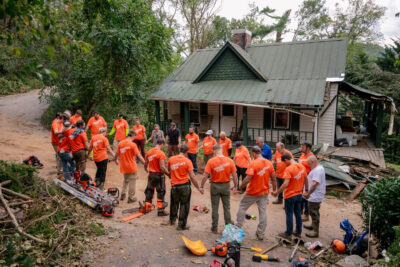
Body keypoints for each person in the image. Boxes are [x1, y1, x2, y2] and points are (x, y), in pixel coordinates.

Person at [235, 146, 277, 240]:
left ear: (253, 153)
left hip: (252, 191)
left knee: (242, 206)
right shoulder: (269, 163)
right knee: (263, 212)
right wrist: (274, 190)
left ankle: (237, 227)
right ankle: (261, 233)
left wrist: (240, 187)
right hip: (264, 191)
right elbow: (273, 178)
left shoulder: (253, 163)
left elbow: (247, 178)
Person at [200, 144, 238, 233]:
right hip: (226, 186)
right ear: (221, 150)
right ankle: (228, 227)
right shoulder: (229, 161)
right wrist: (236, 186)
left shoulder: (211, 161)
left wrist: (201, 186)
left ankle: (214, 227)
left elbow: (205, 175)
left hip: (214, 186)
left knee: (215, 207)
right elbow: (235, 175)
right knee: (227, 207)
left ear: (214, 151)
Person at [164, 144, 202, 230]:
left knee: (174, 203)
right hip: (184, 186)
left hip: (174, 186)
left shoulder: (171, 159)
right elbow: (192, 176)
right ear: (186, 152)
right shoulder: (188, 161)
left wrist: (173, 177)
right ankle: (181, 225)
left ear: (179, 149)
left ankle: (172, 220)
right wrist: (198, 187)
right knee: (184, 205)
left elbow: (169, 171)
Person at [272, 153, 308, 240]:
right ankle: (298, 232)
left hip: (290, 195)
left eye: (284, 163)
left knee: (289, 214)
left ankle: (288, 234)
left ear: (286, 160)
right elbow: (306, 179)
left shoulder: (288, 169)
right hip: (299, 194)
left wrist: (277, 192)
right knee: (298, 213)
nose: (285, 165)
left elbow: (285, 183)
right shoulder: (302, 166)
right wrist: (306, 190)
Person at [115, 130, 145, 203]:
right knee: (132, 182)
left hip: (124, 166)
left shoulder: (120, 143)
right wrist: (145, 163)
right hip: (131, 166)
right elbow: (139, 155)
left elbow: (116, 154)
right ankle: (131, 198)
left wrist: (116, 159)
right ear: (133, 136)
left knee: (126, 180)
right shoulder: (132, 145)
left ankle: (123, 194)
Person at [144, 139, 169, 216]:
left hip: (151, 175)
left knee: (149, 191)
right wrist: (168, 174)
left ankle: (147, 207)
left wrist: (146, 169)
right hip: (159, 176)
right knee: (161, 192)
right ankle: (161, 211)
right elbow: (162, 167)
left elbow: (145, 164)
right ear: (161, 144)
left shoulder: (149, 152)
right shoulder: (161, 153)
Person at [303, 156, 326, 238]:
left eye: (309, 164)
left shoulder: (317, 170)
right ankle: (313, 225)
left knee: (314, 212)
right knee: (313, 211)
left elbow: (315, 184)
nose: (309, 166)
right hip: (315, 195)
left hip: (315, 195)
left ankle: (316, 232)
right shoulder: (318, 168)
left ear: (313, 162)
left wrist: (308, 193)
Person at [298, 141, 315, 222]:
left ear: (308, 148)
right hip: (300, 179)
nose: (301, 148)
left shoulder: (311, 157)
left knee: (306, 197)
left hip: (307, 179)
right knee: (301, 195)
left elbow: (314, 169)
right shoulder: (302, 155)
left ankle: (306, 214)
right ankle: (300, 210)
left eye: (303, 146)